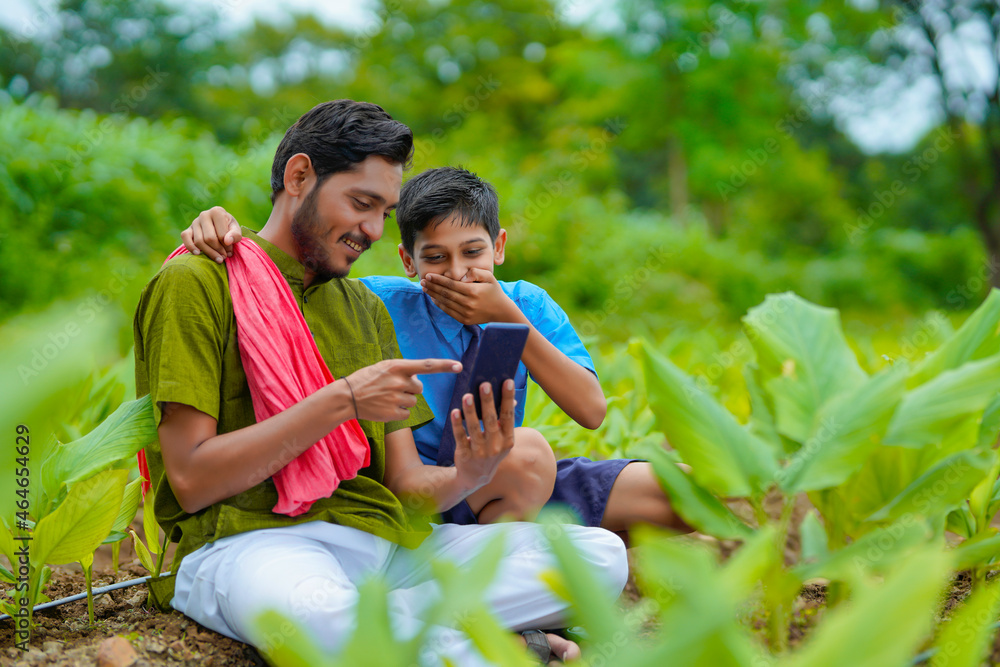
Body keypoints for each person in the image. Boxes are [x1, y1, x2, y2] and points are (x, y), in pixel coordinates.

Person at [134, 100, 628, 666]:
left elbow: (407, 487)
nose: (371, 230)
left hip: (383, 547)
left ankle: (407, 634)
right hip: (254, 542)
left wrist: (472, 471)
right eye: (361, 204)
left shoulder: (362, 308)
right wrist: (342, 401)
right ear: (299, 177)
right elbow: (193, 479)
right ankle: (499, 647)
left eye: (384, 212)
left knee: (599, 558)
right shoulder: (198, 283)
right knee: (319, 616)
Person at [182, 167, 690, 541]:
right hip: (426, 490)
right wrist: (223, 225)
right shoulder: (375, 300)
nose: (457, 272)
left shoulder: (528, 303)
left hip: (509, 481)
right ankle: (512, 590)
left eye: (473, 252)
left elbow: (591, 410)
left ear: (499, 246)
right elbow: (285, 275)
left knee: (683, 492)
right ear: (407, 260)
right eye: (434, 259)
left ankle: (554, 549)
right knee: (530, 451)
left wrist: (507, 316)